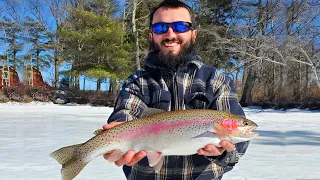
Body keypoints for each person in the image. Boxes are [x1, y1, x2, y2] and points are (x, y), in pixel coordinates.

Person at [103, 0, 250, 179]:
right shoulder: (138, 81)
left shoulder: (216, 80)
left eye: (181, 26)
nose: (170, 34)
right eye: (160, 28)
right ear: (151, 36)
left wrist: (223, 152)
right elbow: (126, 112)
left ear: (193, 34)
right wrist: (118, 131)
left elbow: (238, 149)